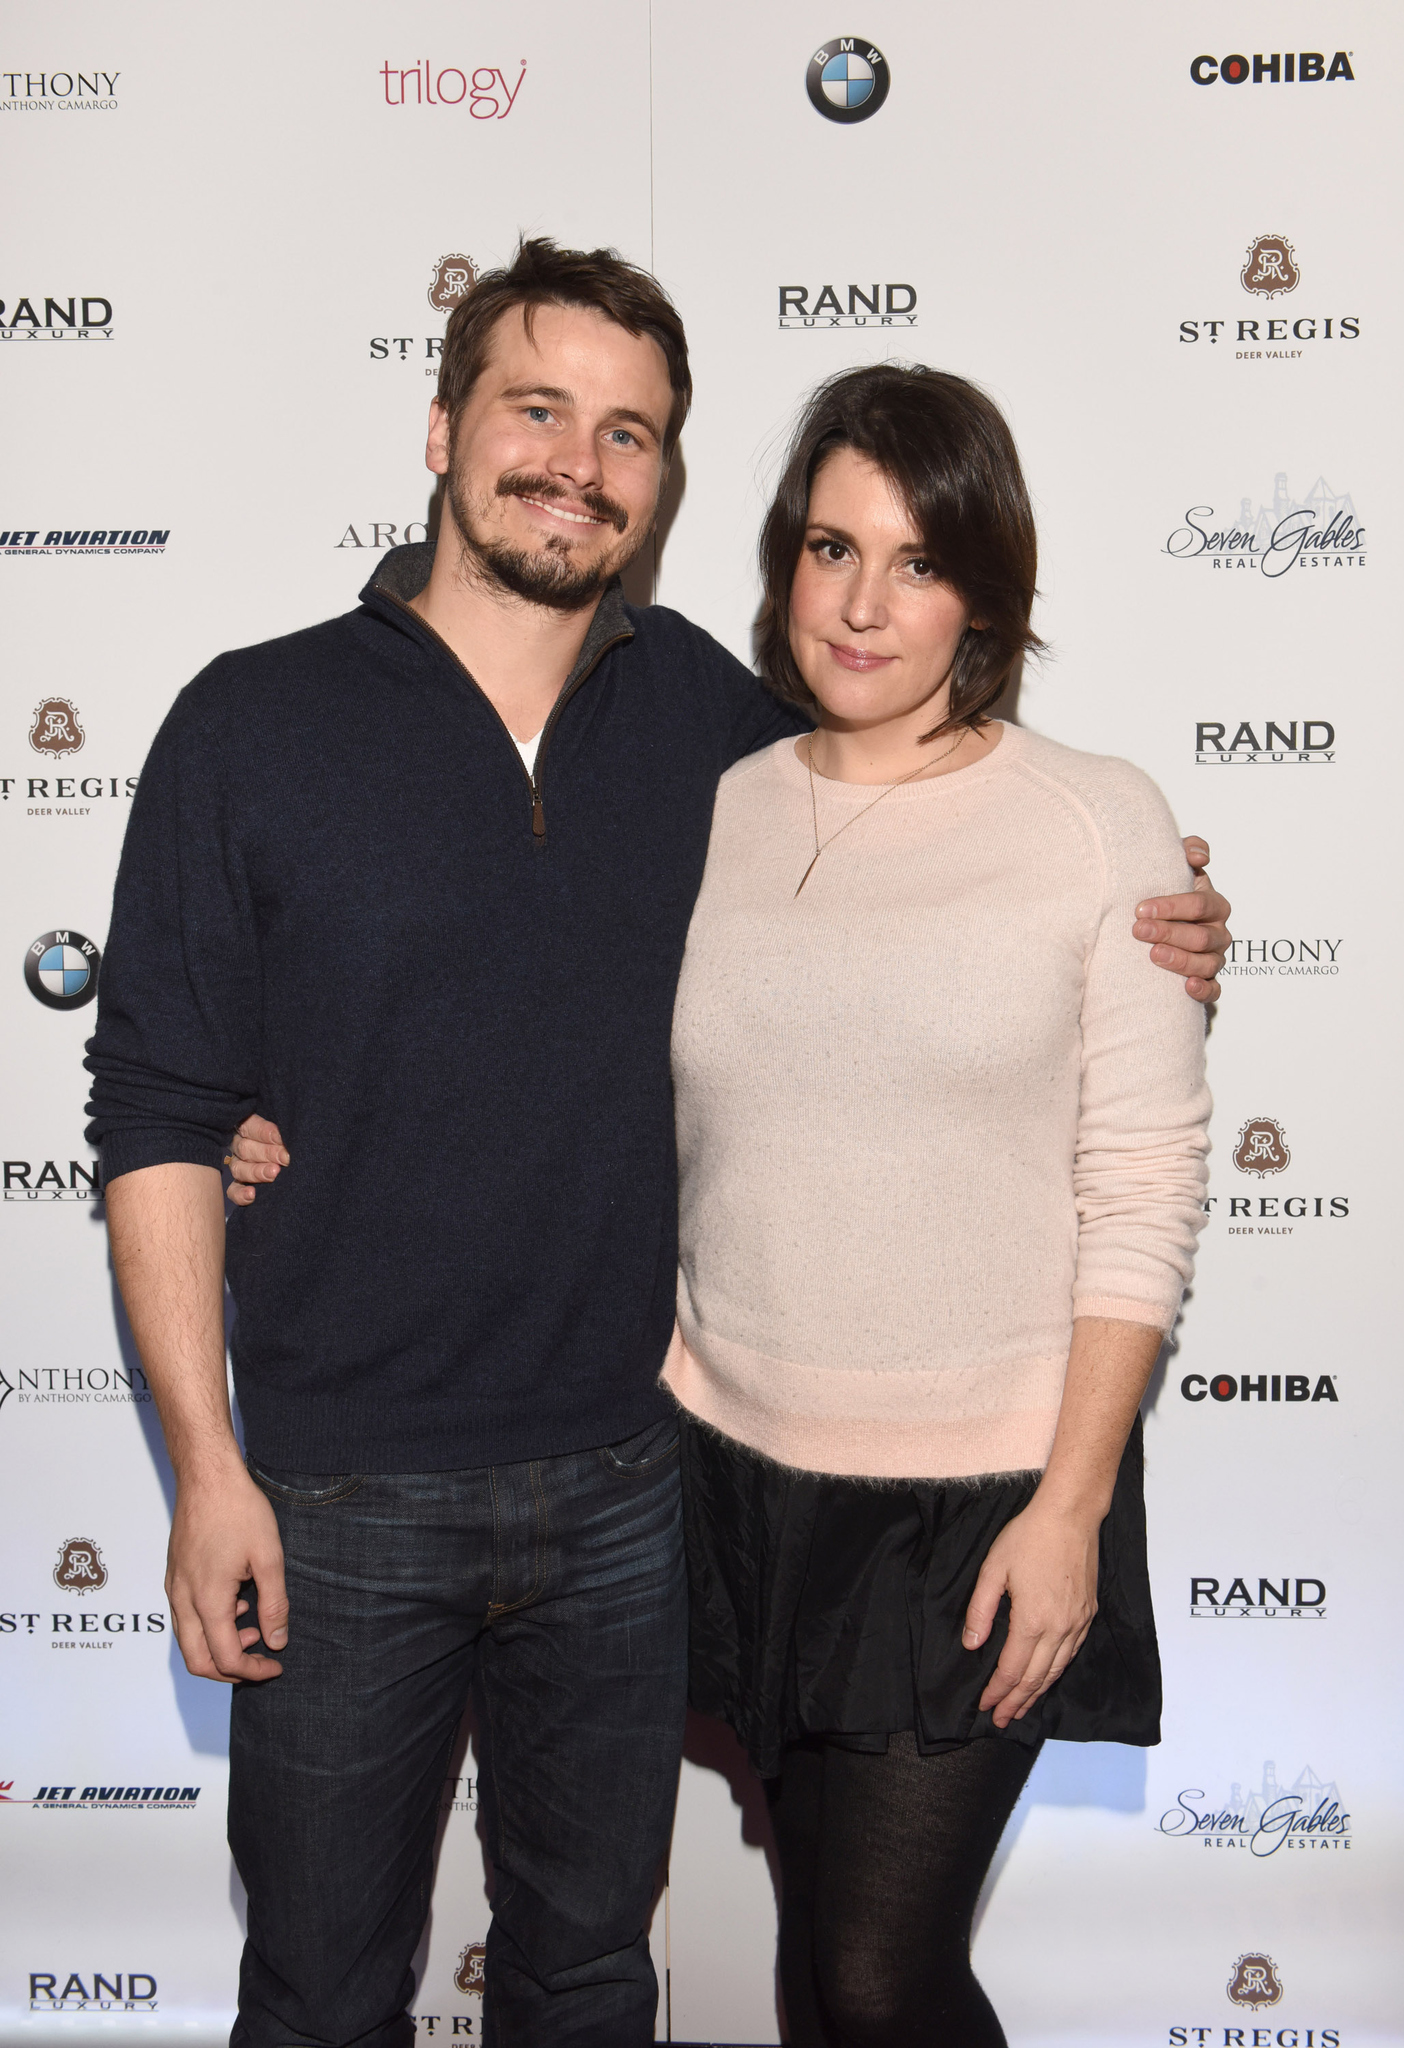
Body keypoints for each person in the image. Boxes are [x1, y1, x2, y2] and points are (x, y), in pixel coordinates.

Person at [89, 240, 1228, 2048]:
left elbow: (946, 826)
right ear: (446, 421)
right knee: (314, 1995)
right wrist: (204, 1466)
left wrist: (1173, 920)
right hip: (341, 1491)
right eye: (537, 409)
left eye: (629, 433)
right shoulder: (255, 721)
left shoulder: (707, 714)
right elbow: (152, 1107)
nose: (577, 462)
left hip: (635, 1486)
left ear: (665, 478)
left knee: (596, 1979)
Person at [658, 363, 1212, 2047]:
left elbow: (1140, 1186)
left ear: (984, 586)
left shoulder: (1090, 818)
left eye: (914, 560)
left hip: (976, 1505)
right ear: (780, 561)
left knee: (881, 1976)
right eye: (830, 549)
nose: (861, 603)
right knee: (814, 1956)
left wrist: (1069, 1510)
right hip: (730, 1474)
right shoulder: (724, 801)